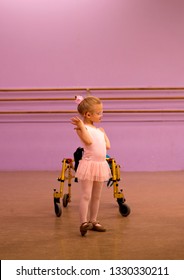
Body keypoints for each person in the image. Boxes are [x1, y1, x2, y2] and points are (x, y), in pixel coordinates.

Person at [71, 95, 111, 236]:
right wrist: (81, 125)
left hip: (100, 165)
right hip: (89, 165)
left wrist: (103, 133)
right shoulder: (81, 129)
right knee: (86, 195)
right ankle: (84, 222)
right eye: (99, 113)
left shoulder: (98, 130)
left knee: (97, 196)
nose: (101, 115)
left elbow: (108, 146)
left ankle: (93, 220)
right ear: (88, 114)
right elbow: (88, 142)